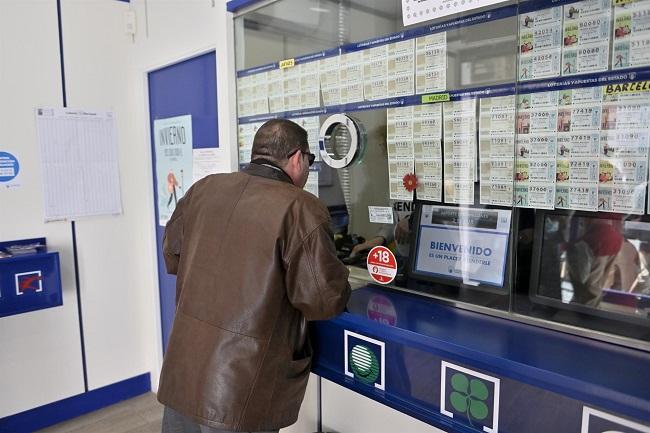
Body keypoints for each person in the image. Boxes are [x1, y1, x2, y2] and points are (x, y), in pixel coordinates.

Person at [157, 119, 351, 433]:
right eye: (310, 161)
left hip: (185, 371)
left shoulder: (203, 189)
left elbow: (173, 255)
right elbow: (323, 300)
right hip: (240, 388)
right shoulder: (300, 207)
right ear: (297, 158)